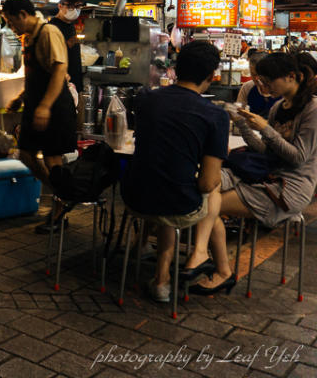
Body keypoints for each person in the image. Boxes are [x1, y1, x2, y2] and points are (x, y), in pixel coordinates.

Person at [184, 52, 317, 296]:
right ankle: (203, 258)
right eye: (261, 81)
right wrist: (244, 124)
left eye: (268, 81)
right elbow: (265, 151)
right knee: (208, 182)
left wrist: (266, 128)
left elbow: (298, 157)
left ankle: (218, 268)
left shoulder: (312, 109)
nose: (264, 87)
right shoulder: (279, 107)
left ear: (291, 76)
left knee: (205, 205)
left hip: (289, 188)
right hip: (267, 175)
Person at [120, 40, 228, 302]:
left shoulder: (146, 99)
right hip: (175, 203)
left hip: (133, 196)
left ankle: (161, 279)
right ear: (211, 75)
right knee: (213, 188)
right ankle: (199, 254)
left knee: (167, 180)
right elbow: (206, 183)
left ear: (176, 69)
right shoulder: (215, 115)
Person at [4, 0, 77, 233]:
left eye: (13, 22)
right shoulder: (29, 37)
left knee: (52, 159)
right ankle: (62, 196)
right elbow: (36, 75)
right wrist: (21, 98)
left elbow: (59, 70)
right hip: (36, 105)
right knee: (25, 154)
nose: (12, 28)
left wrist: (45, 105)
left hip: (54, 106)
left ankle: (59, 211)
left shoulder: (49, 33)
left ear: (24, 15)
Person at [47, 0, 84, 91]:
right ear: (60, 5)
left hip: (74, 85)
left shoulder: (71, 26)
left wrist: (79, 89)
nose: (75, 10)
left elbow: (74, 58)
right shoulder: (51, 28)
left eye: (78, 6)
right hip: (60, 87)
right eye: (71, 6)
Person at [236, 50, 279, 116]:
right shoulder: (247, 87)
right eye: (253, 74)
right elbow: (239, 112)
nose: (256, 78)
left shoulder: (280, 88)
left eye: (259, 74)